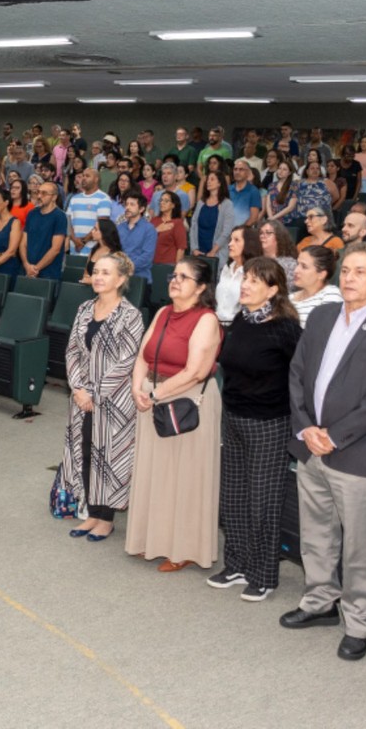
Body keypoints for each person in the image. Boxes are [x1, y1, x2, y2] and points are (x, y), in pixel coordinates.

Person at [282, 242, 366, 662]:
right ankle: (320, 601)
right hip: (311, 448)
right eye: (345, 270)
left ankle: (360, 621)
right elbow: (298, 372)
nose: (348, 278)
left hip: (357, 455)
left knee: (361, 547)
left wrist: (335, 435)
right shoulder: (322, 315)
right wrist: (307, 428)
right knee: (316, 533)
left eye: (361, 272)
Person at [209, 257, 303, 601]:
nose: (244, 285)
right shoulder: (240, 320)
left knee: (263, 501)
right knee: (233, 496)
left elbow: (301, 377)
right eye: (244, 278)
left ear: (273, 290)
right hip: (233, 416)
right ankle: (236, 564)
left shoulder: (286, 328)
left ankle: (263, 575)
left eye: (253, 281)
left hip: (269, 423)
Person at [125, 256, 223, 572]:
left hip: (186, 403)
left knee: (184, 477)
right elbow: (143, 354)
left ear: (202, 287)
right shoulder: (164, 312)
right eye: (173, 274)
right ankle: (150, 540)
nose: (175, 280)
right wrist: (137, 387)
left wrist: (154, 394)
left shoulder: (206, 319)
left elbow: (196, 371)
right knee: (156, 473)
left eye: (183, 276)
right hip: (153, 396)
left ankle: (183, 548)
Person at [60, 252, 145, 542]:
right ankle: (92, 513)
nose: (98, 277)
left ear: (121, 280)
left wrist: (94, 393)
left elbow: (127, 361)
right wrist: (78, 388)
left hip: (114, 401)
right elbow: (72, 350)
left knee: (109, 457)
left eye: (106, 273)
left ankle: (106, 519)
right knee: (84, 450)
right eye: (96, 271)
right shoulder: (85, 308)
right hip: (83, 395)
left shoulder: (131, 315)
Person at [20, 181, 68, 281]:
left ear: (54, 197)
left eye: (44, 193)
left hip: (48, 274)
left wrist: (35, 269)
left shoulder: (60, 216)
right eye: (38, 192)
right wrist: (26, 264)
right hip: (27, 270)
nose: (39, 196)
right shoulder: (31, 214)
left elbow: (55, 249)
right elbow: (23, 243)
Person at [216, 225, 263, 325]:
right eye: (230, 240)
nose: (230, 244)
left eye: (236, 240)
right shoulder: (227, 268)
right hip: (217, 323)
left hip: (238, 327)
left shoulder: (255, 272)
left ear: (249, 245)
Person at [190, 172, 237, 265]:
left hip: (216, 253)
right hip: (198, 252)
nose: (208, 182)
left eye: (212, 179)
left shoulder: (227, 204)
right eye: (207, 179)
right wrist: (194, 248)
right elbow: (193, 227)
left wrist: (213, 251)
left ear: (219, 183)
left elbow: (227, 231)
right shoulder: (201, 203)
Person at [290, 246, 343, 328]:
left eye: (304, 266)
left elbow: (323, 332)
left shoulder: (331, 294)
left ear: (321, 274)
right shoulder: (290, 297)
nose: (296, 270)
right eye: (297, 264)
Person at [115, 193, 156, 284]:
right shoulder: (119, 228)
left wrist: (127, 267)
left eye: (132, 204)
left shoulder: (149, 229)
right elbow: (114, 251)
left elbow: (147, 257)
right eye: (127, 204)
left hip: (139, 278)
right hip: (118, 278)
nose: (127, 207)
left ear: (141, 209)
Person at [151, 190, 188, 265]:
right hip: (151, 263)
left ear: (173, 205)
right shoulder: (154, 221)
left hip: (169, 264)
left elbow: (181, 248)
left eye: (166, 201)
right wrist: (156, 230)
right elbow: (144, 240)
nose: (162, 203)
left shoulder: (177, 223)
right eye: (161, 200)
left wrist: (177, 268)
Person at [259, 220, 298, 288]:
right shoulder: (254, 260)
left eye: (268, 233)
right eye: (261, 233)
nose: (262, 236)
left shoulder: (290, 264)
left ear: (279, 236)